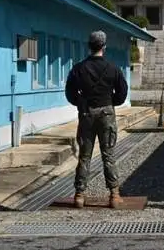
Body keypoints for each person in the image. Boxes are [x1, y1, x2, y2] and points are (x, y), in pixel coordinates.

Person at [65, 30, 129, 209]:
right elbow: (122, 92)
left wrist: (81, 103)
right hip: (107, 113)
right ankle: (114, 195)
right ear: (104, 47)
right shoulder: (113, 68)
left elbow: (70, 92)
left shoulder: (78, 68)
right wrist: (110, 101)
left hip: (86, 114)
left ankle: (79, 195)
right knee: (109, 155)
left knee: (84, 156)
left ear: (89, 46)